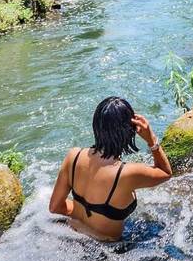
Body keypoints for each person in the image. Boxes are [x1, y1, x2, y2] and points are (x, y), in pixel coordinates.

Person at [48, 96, 172, 241]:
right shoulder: (126, 173)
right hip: (107, 252)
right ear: (128, 131)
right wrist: (151, 139)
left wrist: (81, 218)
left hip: (73, 236)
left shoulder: (73, 156)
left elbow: (55, 207)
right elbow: (166, 172)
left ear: (96, 125)